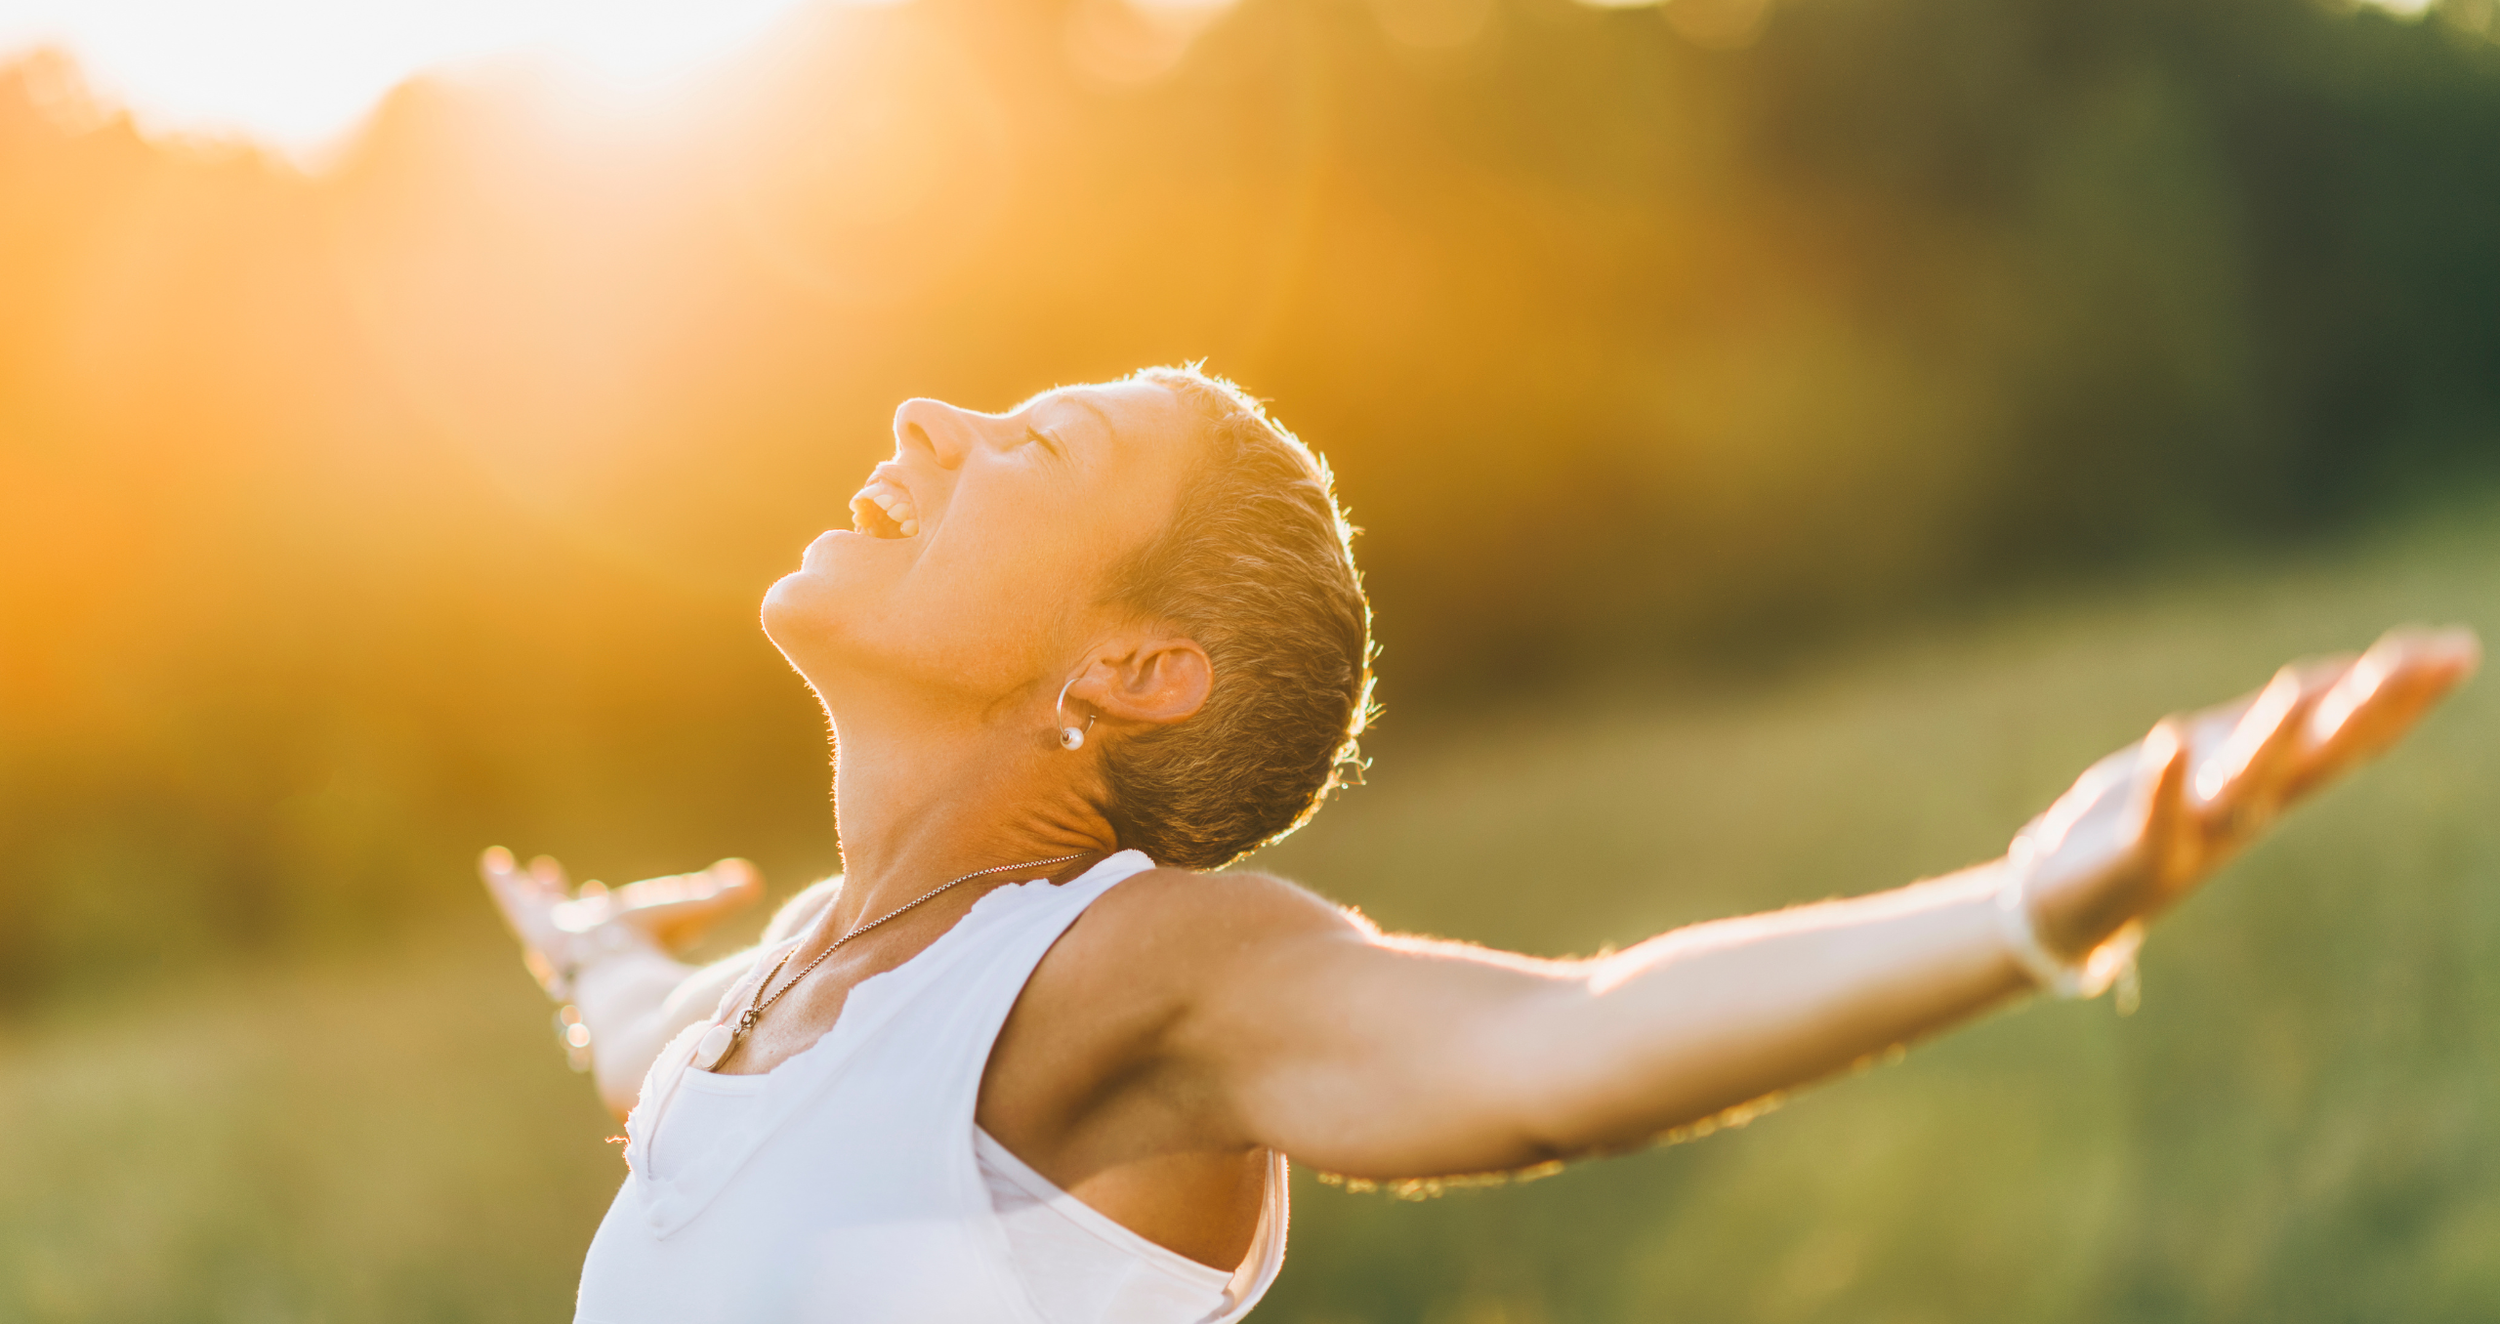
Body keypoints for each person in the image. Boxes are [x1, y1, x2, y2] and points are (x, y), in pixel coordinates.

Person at [482, 364, 2478, 1324]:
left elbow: (1559, 1047)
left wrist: (2023, 909)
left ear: (1137, 663)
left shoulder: (1126, 969)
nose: (926, 419)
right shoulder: (805, 982)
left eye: (1029, 448)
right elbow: (660, 1051)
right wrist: (588, 949)